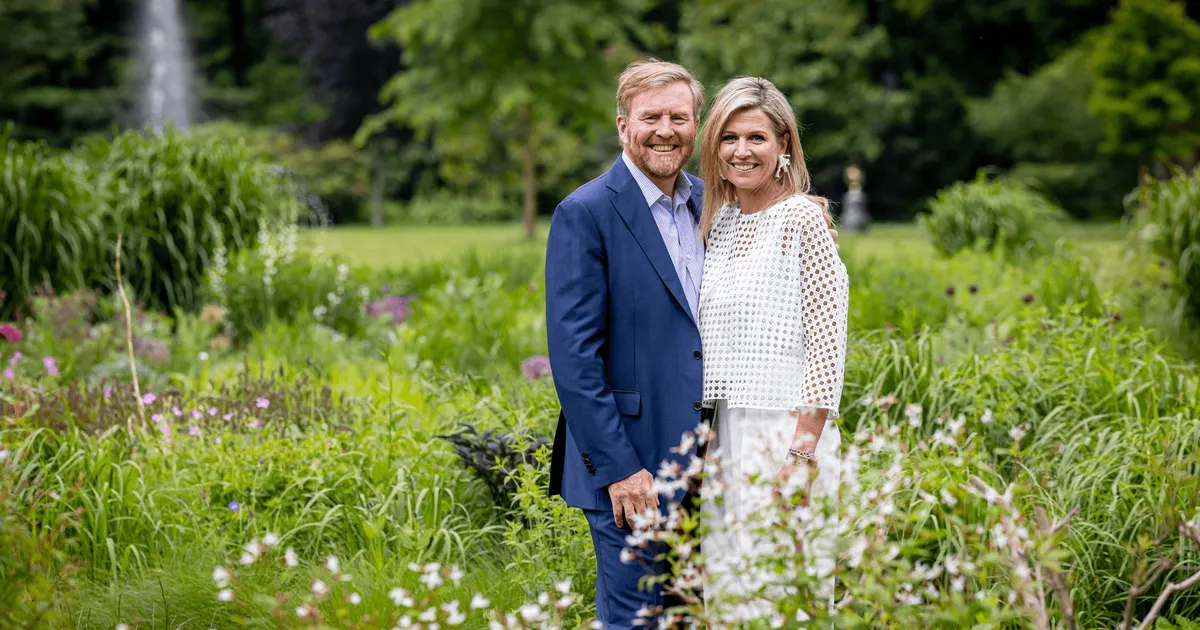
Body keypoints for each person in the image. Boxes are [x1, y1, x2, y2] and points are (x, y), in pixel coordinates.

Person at [545, 61, 837, 629]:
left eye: (679, 118)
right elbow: (576, 360)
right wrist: (620, 470)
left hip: (713, 461)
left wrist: (804, 211)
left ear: (695, 125)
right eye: (650, 117)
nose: (665, 130)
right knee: (637, 619)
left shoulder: (716, 206)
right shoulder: (585, 213)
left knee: (703, 614)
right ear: (623, 125)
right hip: (631, 466)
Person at [696, 77, 850, 623]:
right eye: (729, 137)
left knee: (782, 593)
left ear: (784, 144)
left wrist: (802, 454)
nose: (742, 151)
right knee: (727, 592)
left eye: (756, 137)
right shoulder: (717, 222)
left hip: (784, 433)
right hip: (721, 434)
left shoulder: (803, 220)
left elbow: (827, 345)